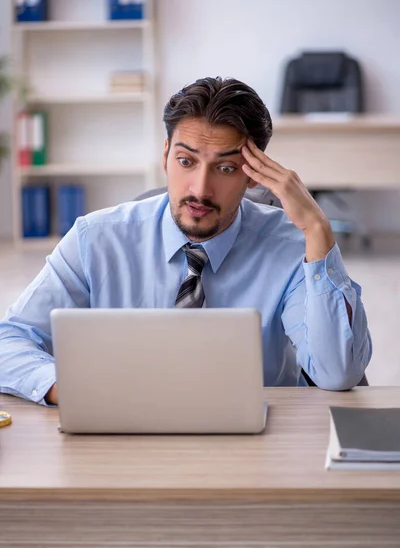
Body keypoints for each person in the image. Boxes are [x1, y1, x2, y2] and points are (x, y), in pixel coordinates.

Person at [0, 76, 372, 406]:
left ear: (254, 175)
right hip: (123, 436)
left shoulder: (291, 246)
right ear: (165, 156)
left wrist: (317, 229)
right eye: (186, 161)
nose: (200, 189)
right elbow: (9, 340)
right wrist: (64, 387)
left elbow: (337, 373)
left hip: (253, 448)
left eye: (225, 168)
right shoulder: (94, 240)